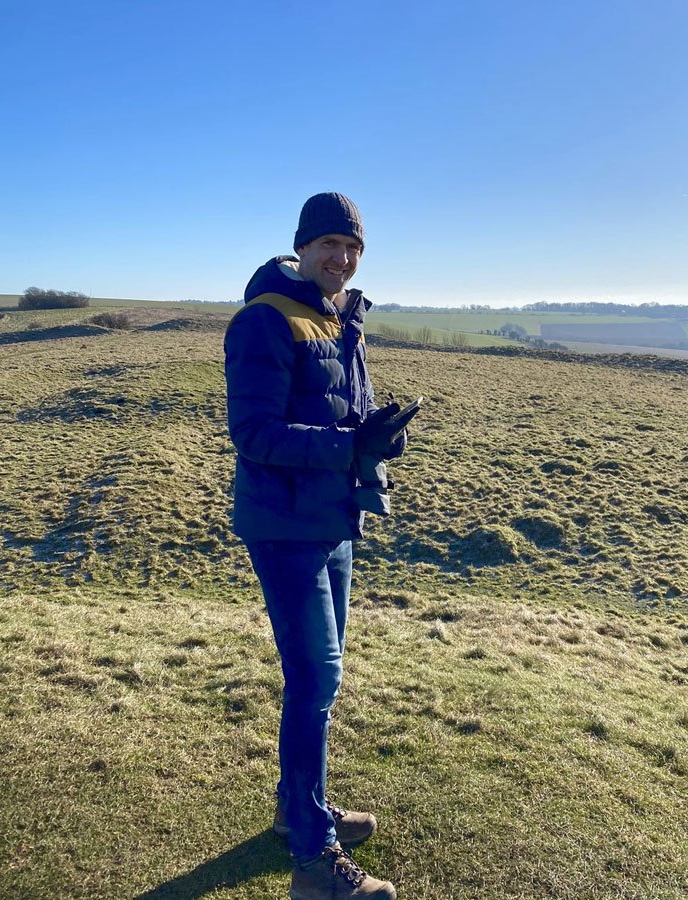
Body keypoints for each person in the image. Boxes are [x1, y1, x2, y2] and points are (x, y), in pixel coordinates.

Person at [224, 193, 411, 900]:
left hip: (331, 521)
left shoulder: (337, 318)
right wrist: (346, 446)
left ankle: (294, 810)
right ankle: (314, 862)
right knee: (316, 682)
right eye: (329, 243)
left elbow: (343, 413)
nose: (342, 257)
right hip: (285, 526)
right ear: (301, 247)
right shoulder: (265, 321)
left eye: (353, 247)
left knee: (318, 683)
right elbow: (254, 434)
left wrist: (377, 433)